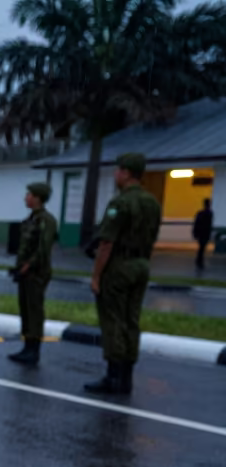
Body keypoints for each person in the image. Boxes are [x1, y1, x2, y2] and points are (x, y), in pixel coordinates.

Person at [85, 153, 162, 395]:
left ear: (126, 172)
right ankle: (127, 375)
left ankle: (113, 376)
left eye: (118, 170)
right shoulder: (153, 203)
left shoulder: (120, 203)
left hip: (119, 265)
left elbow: (106, 243)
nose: (116, 175)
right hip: (141, 264)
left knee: (113, 320)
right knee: (131, 319)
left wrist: (96, 276)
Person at [9, 182, 58, 366]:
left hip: (36, 272)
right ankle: (27, 346)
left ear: (38, 198)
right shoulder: (31, 219)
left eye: (29, 195)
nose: (26, 198)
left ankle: (34, 349)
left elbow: (43, 248)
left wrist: (29, 265)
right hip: (26, 272)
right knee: (26, 309)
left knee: (35, 310)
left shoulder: (46, 220)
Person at [193, 198, 214, 271]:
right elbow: (209, 225)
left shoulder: (200, 213)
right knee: (202, 247)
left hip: (201, 233)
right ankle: (199, 261)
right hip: (205, 233)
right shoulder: (210, 213)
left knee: (201, 247)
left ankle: (199, 260)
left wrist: (195, 233)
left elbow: (196, 223)